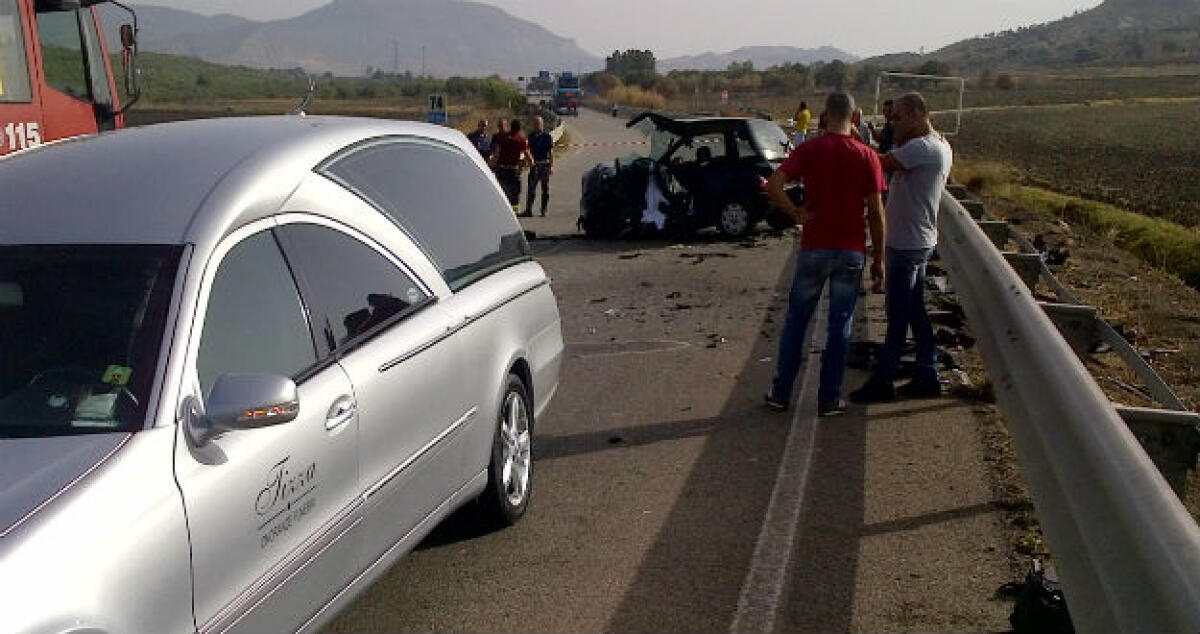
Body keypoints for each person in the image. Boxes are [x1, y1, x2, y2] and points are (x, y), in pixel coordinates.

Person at [765, 92, 887, 417]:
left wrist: (796, 213)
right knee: (840, 324)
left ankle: (781, 393)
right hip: (851, 250)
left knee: (797, 321)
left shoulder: (810, 149)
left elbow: (773, 184)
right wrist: (880, 258)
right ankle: (829, 398)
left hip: (814, 247)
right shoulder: (867, 156)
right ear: (855, 118)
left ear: (824, 116)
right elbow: (876, 213)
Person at [850, 92, 953, 403]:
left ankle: (884, 381)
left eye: (897, 117)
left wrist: (853, 138)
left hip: (907, 244)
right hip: (917, 240)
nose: (892, 123)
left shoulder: (922, 148)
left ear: (917, 114)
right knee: (915, 313)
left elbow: (879, 163)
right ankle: (927, 374)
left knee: (897, 316)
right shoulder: (939, 144)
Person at [491, 118, 535, 215]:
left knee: (502, 192)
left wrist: (492, 166)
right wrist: (531, 165)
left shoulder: (502, 138)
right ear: (519, 128)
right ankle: (514, 214)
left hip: (502, 170)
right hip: (513, 171)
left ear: (511, 127)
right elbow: (528, 157)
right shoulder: (521, 139)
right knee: (515, 193)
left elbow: (497, 154)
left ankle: (501, 212)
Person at [525, 116, 554, 217]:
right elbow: (527, 151)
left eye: (539, 124)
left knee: (545, 189)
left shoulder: (547, 137)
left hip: (544, 164)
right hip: (534, 165)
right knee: (531, 188)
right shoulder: (530, 136)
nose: (537, 126)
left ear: (542, 124)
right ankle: (528, 210)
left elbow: (551, 152)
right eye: (535, 124)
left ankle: (543, 210)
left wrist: (551, 166)